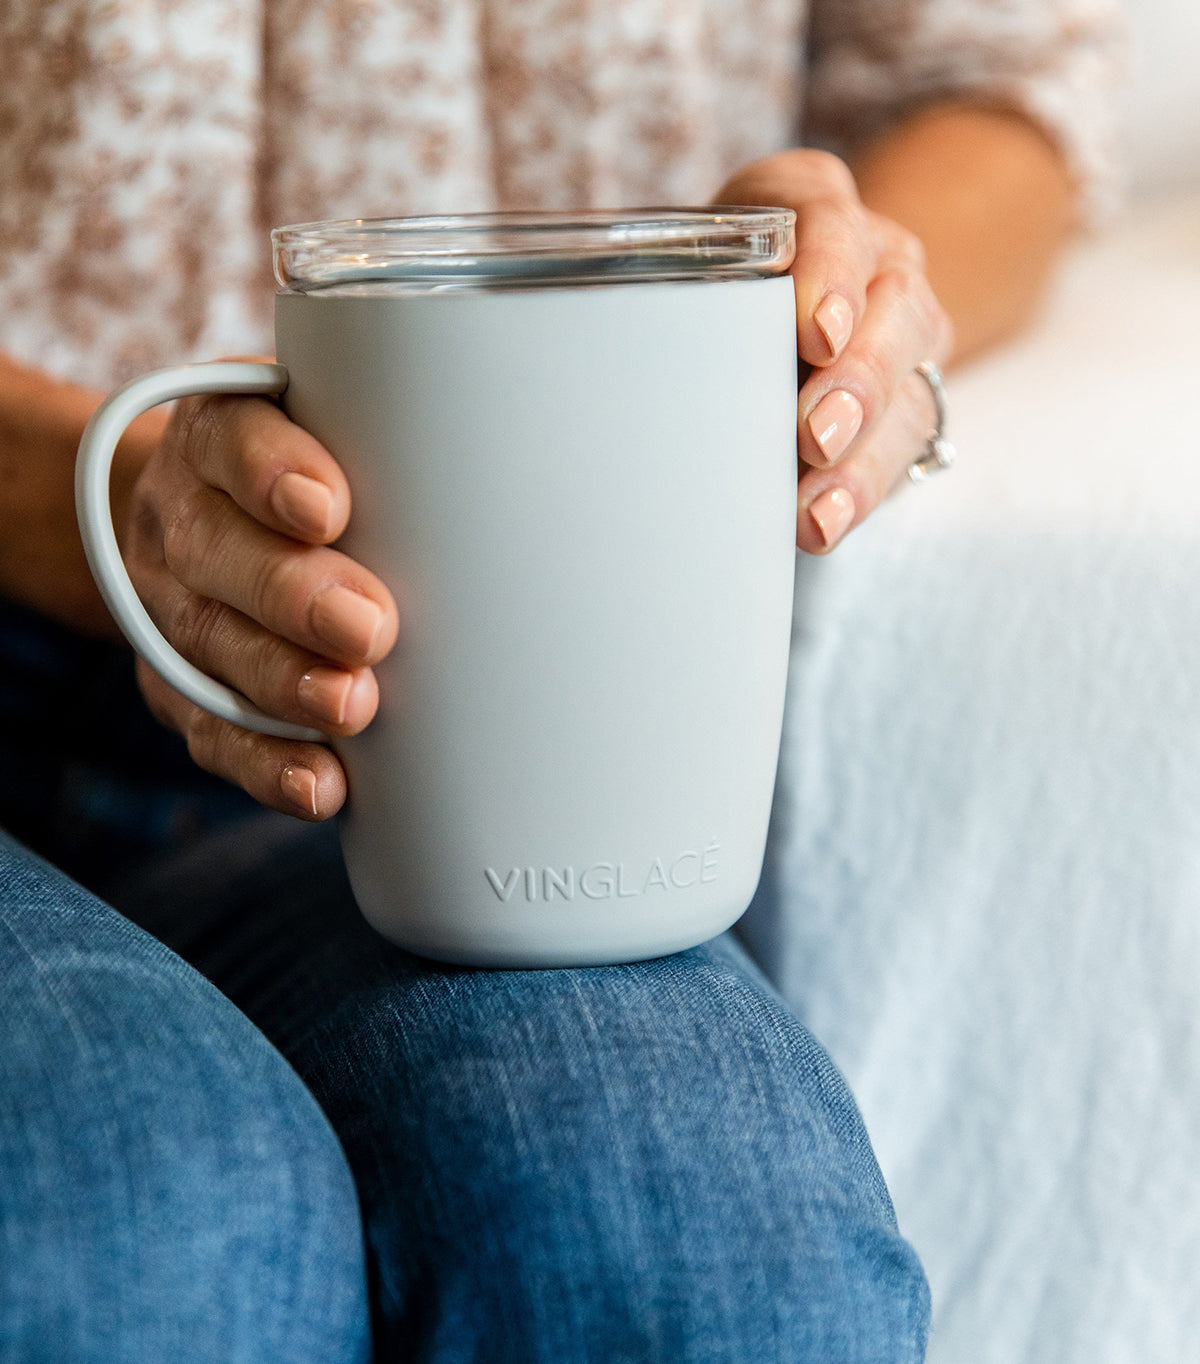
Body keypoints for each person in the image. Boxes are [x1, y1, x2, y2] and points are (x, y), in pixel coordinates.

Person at [0, 0, 1120, 1358]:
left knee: (705, 1270)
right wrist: (108, 505)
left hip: (482, 748)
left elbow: (996, 87)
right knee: (134, 1229)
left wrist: (840, 305)